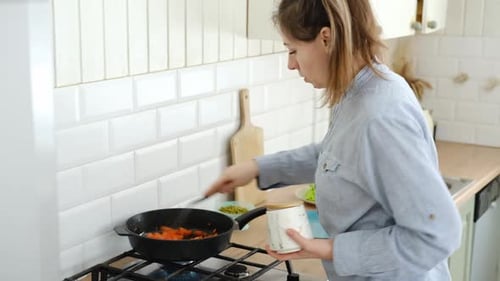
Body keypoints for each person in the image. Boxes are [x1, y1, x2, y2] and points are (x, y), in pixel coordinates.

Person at [204, 0, 462, 280]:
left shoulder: (380, 117)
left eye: (293, 50)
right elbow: (338, 157)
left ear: (326, 38)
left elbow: (435, 236)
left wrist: (328, 249)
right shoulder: (362, 92)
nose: (291, 64)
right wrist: (256, 168)